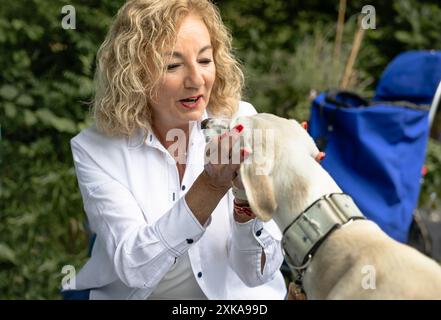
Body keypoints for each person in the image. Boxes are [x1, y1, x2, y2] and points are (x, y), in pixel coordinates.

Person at [64, 0, 287, 300]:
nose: (196, 80)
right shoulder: (95, 150)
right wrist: (210, 185)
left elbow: (256, 274)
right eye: (172, 65)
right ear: (135, 74)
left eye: (205, 60)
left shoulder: (240, 120)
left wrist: (247, 204)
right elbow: (135, 268)